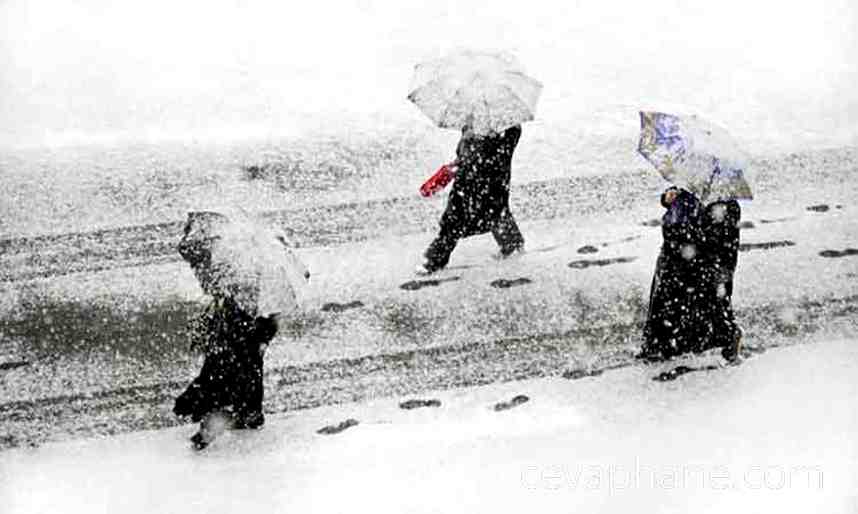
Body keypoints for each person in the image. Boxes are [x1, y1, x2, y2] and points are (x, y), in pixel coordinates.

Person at [173, 212, 281, 450]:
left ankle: (217, 420)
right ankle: (246, 413)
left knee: (229, 375)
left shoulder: (234, 269)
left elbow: (259, 312)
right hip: (243, 331)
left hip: (240, 331)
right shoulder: (248, 270)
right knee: (244, 373)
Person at [418, 124, 525, 274]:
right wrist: (451, 168)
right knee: (495, 212)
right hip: (478, 181)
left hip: (481, 182)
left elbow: (478, 155)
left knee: (455, 221)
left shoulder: (506, 130)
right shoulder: (474, 126)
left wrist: (482, 142)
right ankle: (511, 242)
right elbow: (464, 155)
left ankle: (435, 260)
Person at [639, 187, 715, 361]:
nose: (671, 193)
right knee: (673, 305)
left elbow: (681, 236)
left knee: (669, 305)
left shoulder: (686, 209)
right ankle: (670, 343)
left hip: (677, 266)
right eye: (668, 193)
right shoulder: (685, 208)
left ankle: (665, 345)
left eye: (673, 192)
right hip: (676, 265)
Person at [699, 198, 743, 361]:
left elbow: (719, 237)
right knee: (714, 298)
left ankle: (731, 334)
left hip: (721, 263)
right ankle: (722, 335)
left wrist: (705, 230)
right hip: (718, 262)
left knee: (719, 298)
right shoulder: (718, 206)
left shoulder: (728, 208)